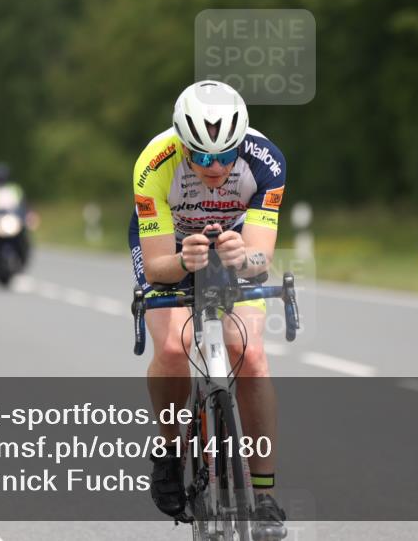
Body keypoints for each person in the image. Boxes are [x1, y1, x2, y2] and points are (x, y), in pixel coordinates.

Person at [130, 80, 287, 537]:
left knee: (252, 356)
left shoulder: (265, 161)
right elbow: (158, 265)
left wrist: (245, 257)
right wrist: (180, 261)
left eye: (225, 155)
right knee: (175, 351)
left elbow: (261, 262)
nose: (215, 167)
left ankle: (262, 495)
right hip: (171, 247)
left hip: (233, 242)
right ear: (182, 143)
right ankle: (169, 449)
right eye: (201, 156)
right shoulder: (153, 165)